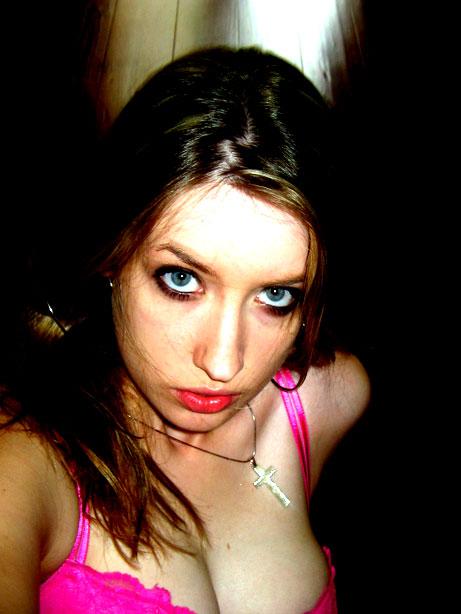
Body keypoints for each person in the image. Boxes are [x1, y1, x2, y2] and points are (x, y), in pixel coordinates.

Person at [0, 47, 370, 613]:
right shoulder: (27, 457)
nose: (223, 364)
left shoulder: (326, 401)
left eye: (276, 295)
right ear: (112, 254)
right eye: (181, 279)